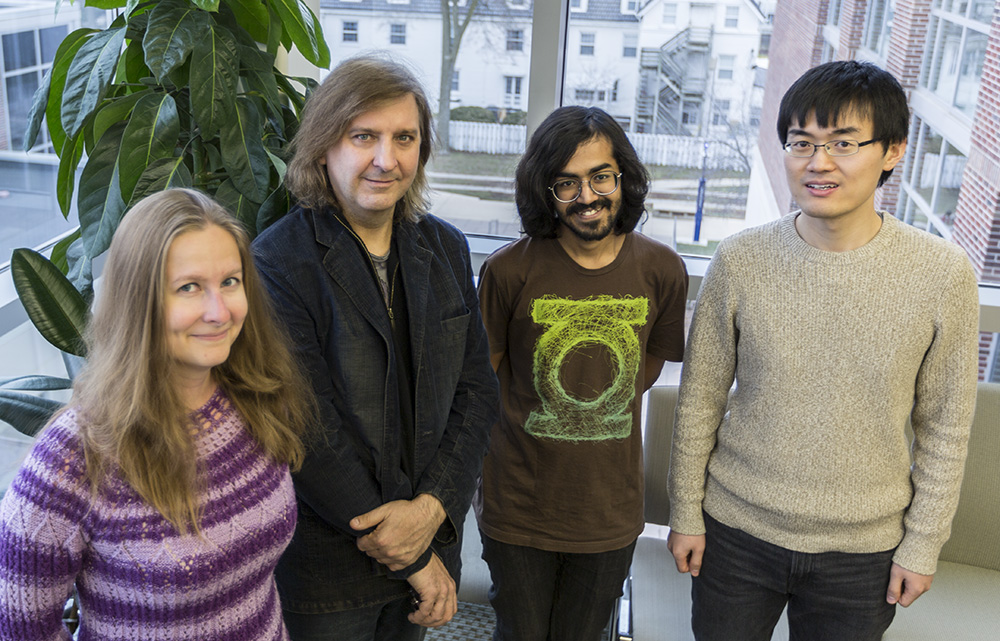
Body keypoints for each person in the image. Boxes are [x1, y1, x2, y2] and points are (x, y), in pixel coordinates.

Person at [667, 60, 980, 640]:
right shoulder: (740, 259)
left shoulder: (942, 274)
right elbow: (700, 400)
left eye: (843, 143)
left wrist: (923, 543)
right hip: (736, 533)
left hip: (863, 555)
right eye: (801, 143)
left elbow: (945, 427)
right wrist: (685, 512)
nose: (818, 162)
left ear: (892, 152)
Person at [252, 54, 499, 641]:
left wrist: (432, 508)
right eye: (364, 136)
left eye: (404, 138)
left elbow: (476, 393)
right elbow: (307, 427)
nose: (387, 160)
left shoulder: (446, 249)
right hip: (330, 568)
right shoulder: (277, 261)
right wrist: (410, 554)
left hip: (430, 541)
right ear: (322, 147)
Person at [0, 188, 314, 640]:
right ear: (138, 302)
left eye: (230, 281)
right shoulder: (75, 456)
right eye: (189, 287)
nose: (219, 311)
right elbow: (19, 627)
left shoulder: (254, 394)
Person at [476, 106, 688, 641]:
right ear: (544, 191)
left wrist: (597, 397)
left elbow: (650, 361)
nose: (587, 197)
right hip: (518, 507)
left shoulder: (662, 270)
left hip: (607, 511)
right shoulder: (507, 271)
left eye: (600, 177)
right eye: (566, 184)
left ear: (623, 178)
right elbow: (485, 381)